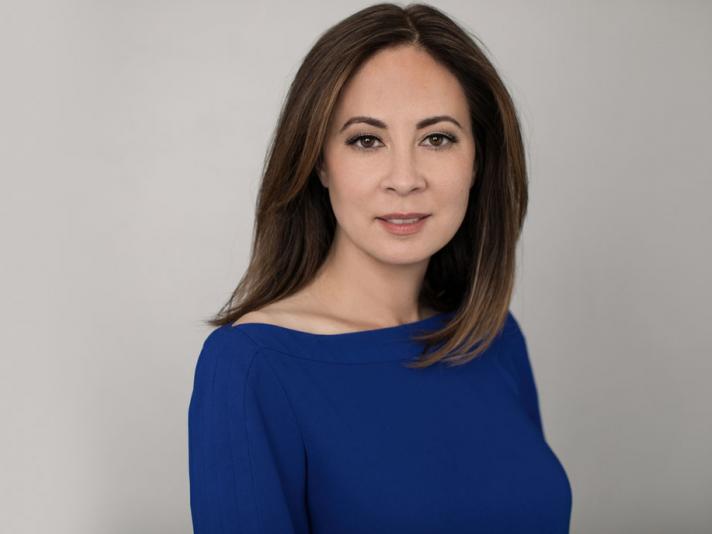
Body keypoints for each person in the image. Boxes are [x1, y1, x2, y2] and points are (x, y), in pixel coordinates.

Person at [188, 3, 572, 532]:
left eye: (437, 138)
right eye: (366, 140)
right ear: (319, 161)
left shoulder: (494, 338)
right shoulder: (252, 366)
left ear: (478, 158)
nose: (404, 178)